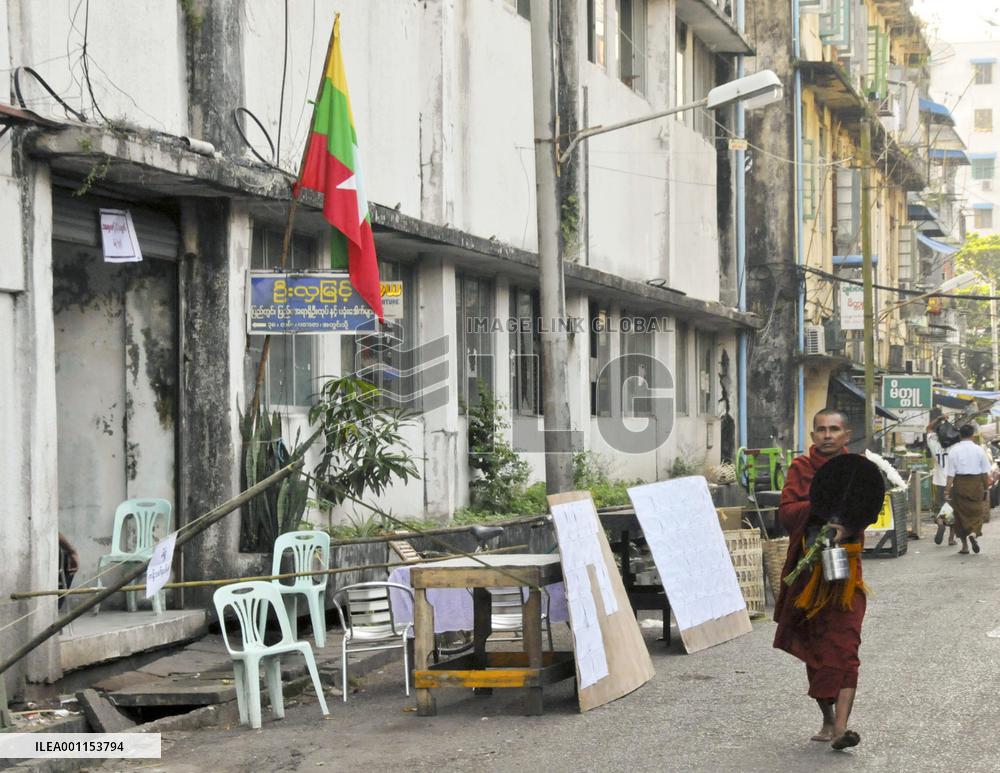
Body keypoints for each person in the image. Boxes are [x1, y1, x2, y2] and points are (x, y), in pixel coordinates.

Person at [773, 408, 866, 751]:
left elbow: (866, 509)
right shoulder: (801, 469)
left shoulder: (857, 471)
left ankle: (841, 728)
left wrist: (847, 526)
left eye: (834, 429)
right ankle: (827, 718)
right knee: (816, 647)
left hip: (845, 573)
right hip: (809, 572)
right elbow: (786, 514)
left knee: (845, 646)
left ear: (846, 434)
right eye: (821, 430)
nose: (827, 435)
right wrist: (818, 506)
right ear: (812, 436)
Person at [944, 424, 992, 555]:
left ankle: (965, 546)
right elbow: (985, 473)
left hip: (959, 485)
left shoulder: (954, 450)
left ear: (960, 435)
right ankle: (973, 534)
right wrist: (986, 489)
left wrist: (947, 491)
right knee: (976, 513)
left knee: (960, 515)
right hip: (976, 485)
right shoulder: (979, 450)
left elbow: (950, 474)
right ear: (972, 435)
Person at [925, 416, 955, 546]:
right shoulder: (955, 444)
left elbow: (929, 428)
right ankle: (951, 539)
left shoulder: (933, 442)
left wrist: (938, 418)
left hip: (939, 482)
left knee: (939, 507)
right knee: (953, 510)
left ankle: (940, 522)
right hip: (953, 482)